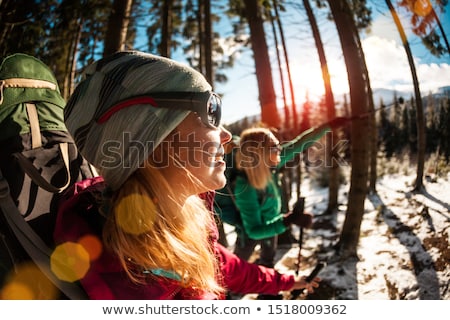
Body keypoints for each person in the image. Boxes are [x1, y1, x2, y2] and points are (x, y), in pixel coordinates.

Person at [54, 51, 320, 299]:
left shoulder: (183, 224)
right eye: (210, 112)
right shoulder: (128, 287)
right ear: (151, 140)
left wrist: (287, 281)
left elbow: (228, 268)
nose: (226, 136)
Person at [232, 118, 348, 270]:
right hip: (250, 231)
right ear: (261, 153)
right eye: (274, 147)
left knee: (268, 258)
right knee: (238, 263)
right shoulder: (245, 186)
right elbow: (253, 230)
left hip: (273, 222)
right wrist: (288, 220)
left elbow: (300, 144)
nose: (280, 149)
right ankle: (226, 290)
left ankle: (267, 289)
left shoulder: (272, 164)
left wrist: (327, 126)